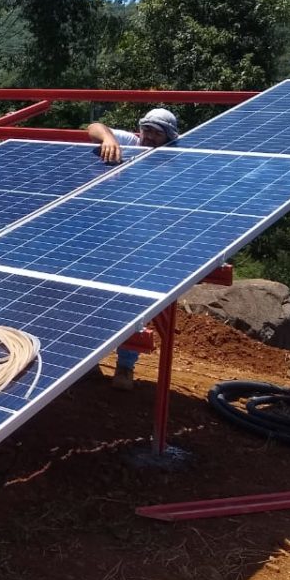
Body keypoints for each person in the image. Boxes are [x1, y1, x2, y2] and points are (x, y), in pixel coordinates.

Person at [86, 107, 180, 390]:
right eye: (147, 129)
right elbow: (92, 127)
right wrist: (108, 138)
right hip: (113, 232)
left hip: (146, 239)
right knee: (95, 298)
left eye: (156, 133)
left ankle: (125, 366)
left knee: (134, 305)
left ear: (169, 137)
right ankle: (89, 360)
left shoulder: (177, 158)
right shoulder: (130, 141)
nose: (149, 137)